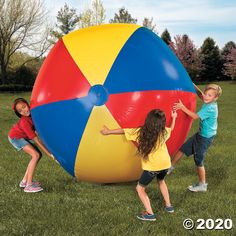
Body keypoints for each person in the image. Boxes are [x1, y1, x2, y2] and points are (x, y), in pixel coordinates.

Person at [100, 109, 177, 221]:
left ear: (148, 120)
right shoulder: (164, 132)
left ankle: (149, 214)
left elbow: (123, 130)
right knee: (161, 181)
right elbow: (172, 128)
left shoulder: (140, 132)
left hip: (152, 167)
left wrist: (108, 131)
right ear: (162, 123)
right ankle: (169, 206)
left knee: (140, 188)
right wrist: (174, 117)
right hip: (165, 164)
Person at [168, 84, 222, 192]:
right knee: (182, 148)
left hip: (205, 138)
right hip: (200, 134)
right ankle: (170, 167)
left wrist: (182, 107)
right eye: (206, 94)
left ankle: (202, 185)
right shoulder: (209, 101)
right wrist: (192, 84)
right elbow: (201, 95)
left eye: (209, 95)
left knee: (198, 161)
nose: (206, 97)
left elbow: (195, 116)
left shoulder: (210, 108)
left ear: (215, 98)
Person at [8, 98, 56, 193]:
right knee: (35, 155)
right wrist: (49, 154)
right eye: (20, 111)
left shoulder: (33, 114)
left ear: (27, 104)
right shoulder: (24, 122)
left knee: (38, 155)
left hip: (22, 136)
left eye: (24, 107)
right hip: (15, 137)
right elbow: (36, 140)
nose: (24, 111)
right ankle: (28, 186)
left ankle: (24, 181)